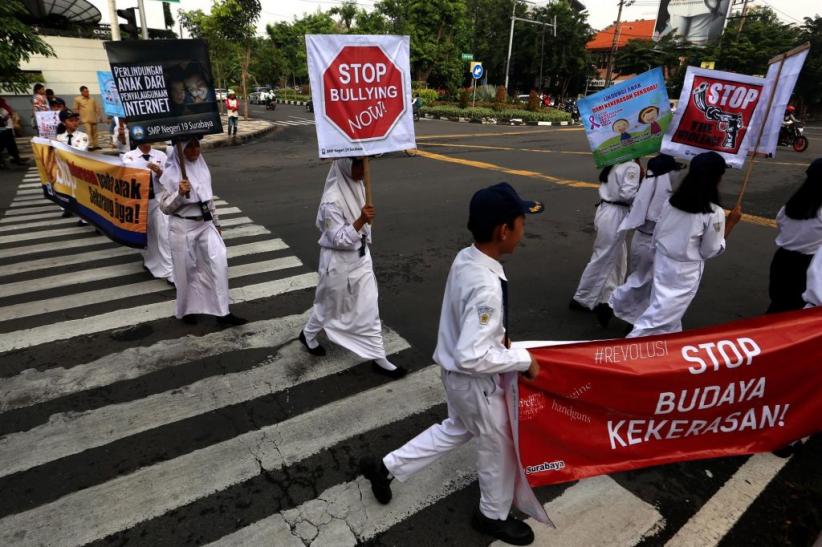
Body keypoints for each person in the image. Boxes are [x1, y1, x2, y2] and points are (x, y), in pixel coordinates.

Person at [360, 182, 549, 546]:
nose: (524, 229)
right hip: (473, 381)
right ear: (503, 230)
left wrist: (499, 336)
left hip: (457, 377)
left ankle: (385, 468)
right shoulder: (486, 286)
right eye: (521, 222)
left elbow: (471, 329)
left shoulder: (468, 257)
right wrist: (523, 359)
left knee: (457, 429)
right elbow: (472, 354)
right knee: (499, 445)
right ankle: (491, 516)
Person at [298, 158, 407, 379]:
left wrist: (365, 222)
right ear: (347, 166)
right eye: (358, 165)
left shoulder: (358, 185)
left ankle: (379, 357)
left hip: (361, 257)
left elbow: (365, 226)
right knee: (329, 304)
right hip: (338, 263)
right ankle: (308, 334)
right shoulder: (332, 201)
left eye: (365, 164)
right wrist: (360, 221)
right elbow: (337, 238)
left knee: (369, 307)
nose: (363, 170)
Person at [628, 152, 742, 338]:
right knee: (655, 322)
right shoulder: (714, 213)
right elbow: (709, 250)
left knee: (665, 317)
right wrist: (731, 223)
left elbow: (658, 234)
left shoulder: (671, 202)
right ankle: (621, 356)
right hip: (683, 274)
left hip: (662, 265)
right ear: (717, 178)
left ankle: (664, 353)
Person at [158, 136, 246, 327]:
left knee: (219, 264)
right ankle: (186, 310)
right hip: (182, 227)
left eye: (197, 145)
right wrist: (179, 194)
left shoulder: (203, 169)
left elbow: (208, 201)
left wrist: (217, 224)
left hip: (205, 225)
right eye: (190, 147)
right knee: (185, 271)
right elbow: (165, 207)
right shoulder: (172, 174)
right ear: (180, 151)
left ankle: (223, 312)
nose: (196, 150)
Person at [605, 154, 683, 327]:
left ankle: (629, 316)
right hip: (653, 242)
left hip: (640, 239)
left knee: (640, 280)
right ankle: (614, 306)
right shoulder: (663, 194)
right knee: (645, 282)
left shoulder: (647, 186)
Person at [570, 159, 641, 321]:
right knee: (604, 257)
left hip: (607, 209)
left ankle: (608, 295)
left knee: (617, 256)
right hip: (615, 213)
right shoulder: (632, 166)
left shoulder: (615, 160)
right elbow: (627, 194)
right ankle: (583, 298)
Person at [766, 158, 822, 313]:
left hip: (782, 260)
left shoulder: (791, 205)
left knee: (779, 303)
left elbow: (780, 223)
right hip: (808, 265)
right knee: (796, 312)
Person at [123, 143, 173, 284]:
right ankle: (150, 261)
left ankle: (170, 271)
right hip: (140, 201)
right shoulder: (129, 157)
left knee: (163, 234)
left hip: (158, 200)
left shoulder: (160, 155)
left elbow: (169, 178)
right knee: (147, 235)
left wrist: (159, 172)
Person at [73, 86, 102, 150]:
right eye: (85, 91)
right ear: (82, 92)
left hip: (93, 118)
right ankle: (90, 146)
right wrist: (77, 118)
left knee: (95, 132)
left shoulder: (92, 99)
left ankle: (96, 145)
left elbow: (97, 108)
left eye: (88, 91)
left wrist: (99, 116)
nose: (87, 93)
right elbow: (75, 109)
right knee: (88, 132)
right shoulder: (77, 99)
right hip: (85, 119)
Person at [0, 99, 27, 168]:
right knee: (10, 145)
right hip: (4, 129)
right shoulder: (2, 107)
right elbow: (3, 118)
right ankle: (16, 159)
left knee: (8, 145)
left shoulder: (3, 106)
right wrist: (6, 118)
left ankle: (15, 159)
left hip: (6, 128)